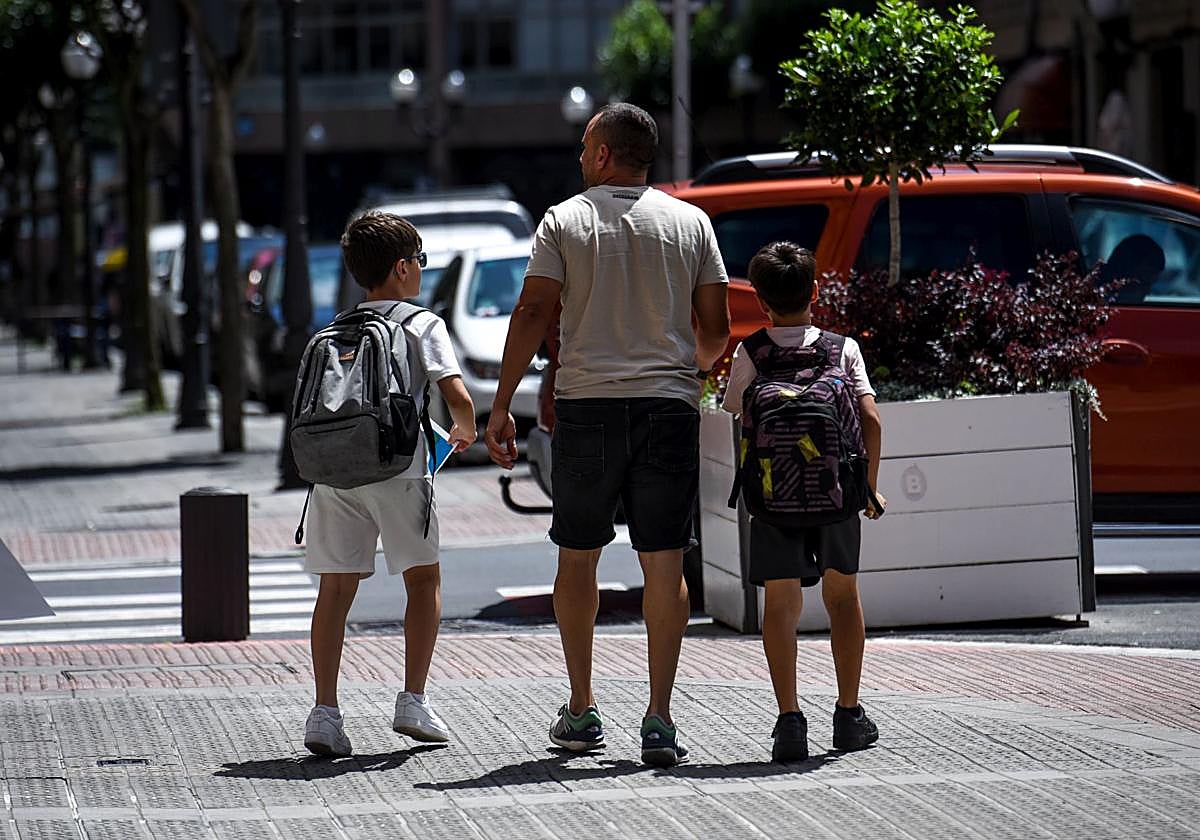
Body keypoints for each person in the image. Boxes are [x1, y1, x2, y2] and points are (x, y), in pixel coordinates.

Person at [485, 103, 730, 767]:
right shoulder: (691, 222)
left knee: (577, 555)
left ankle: (583, 704)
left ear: (601, 155)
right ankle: (659, 716)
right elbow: (716, 326)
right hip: (668, 408)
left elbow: (535, 308)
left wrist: (502, 405)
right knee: (665, 560)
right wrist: (689, 370)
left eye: (583, 145)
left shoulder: (564, 220)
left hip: (587, 407)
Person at [303, 212, 476, 757]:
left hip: (334, 472)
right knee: (422, 580)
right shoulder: (421, 324)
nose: (421, 271)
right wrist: (468, 430)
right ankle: (413, 700)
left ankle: (325, 713)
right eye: (419, 262)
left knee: (335, 590)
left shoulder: (335, 329)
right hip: (400, 469)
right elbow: (456, 395)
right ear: (403, 268)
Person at [721, 241, 885, 762]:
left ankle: (790, 721)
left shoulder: (751, 352)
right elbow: (872, 421)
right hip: (837, 494)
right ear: (814, 292)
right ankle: (849, 715)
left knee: (781, 606)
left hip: (773, 499)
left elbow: (736, 414)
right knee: (842, 599)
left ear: (763, 303)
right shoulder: (843, 349)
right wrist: (869, 487)